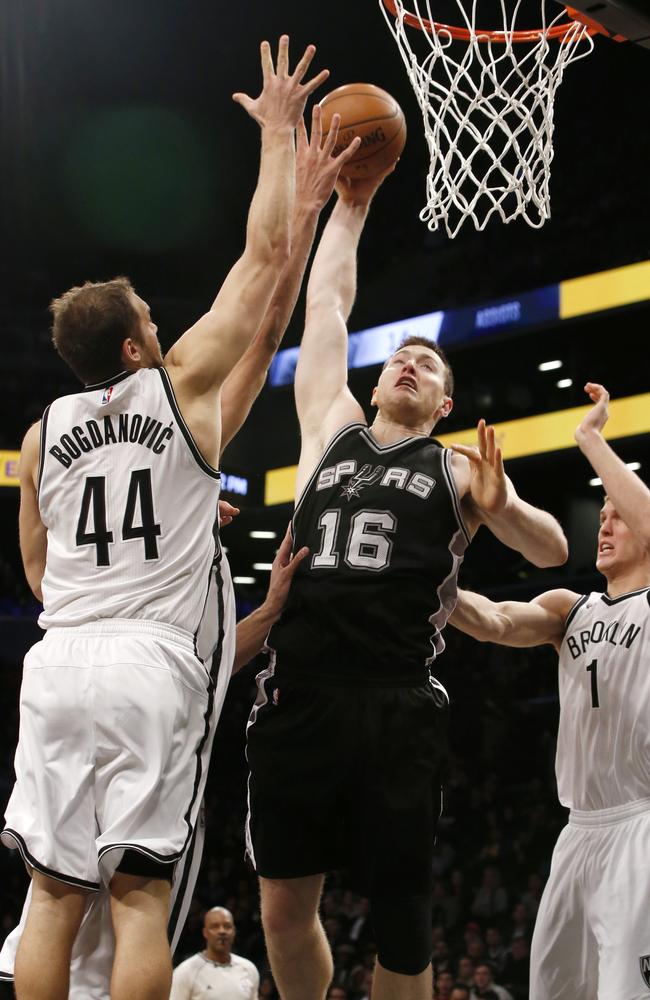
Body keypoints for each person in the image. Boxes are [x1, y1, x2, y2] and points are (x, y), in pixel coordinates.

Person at [0, 91, 360, 998]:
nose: (165, 331)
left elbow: (39, 572)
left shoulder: (44, 432)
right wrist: (281, 136)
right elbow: (265, 260)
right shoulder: (182, 388)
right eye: (153, 322)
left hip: (59, 660)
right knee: (137, 896)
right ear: (132, 347)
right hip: (146, 665)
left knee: (48, 893)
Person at [244, 169, 568, 1000]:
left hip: (396, 701)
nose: (409, 365)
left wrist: (504, 510)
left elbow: (554, 552)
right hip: (301, 692)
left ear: (447, 401)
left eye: (427, 364)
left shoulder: (460, 470)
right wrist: (349, 211)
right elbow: (327, 313)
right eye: (400, 359)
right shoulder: (330, 430)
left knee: (403, 925)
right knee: (282, 907)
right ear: (380, 382)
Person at [449, 384, 650, 1000]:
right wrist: (423, 579)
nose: (606, 523)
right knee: (555, 990)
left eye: (617, 515)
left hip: (639, 825)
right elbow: (497, 621)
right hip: (577, 831)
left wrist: (590, 438)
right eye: (604, 516)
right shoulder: (572, 609)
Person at [170, 906, 259, 1000]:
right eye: (215, 927)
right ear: (205, 932)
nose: (222, 931)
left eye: (227, 926)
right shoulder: (186, 971)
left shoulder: (249, 969)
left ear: (234, 931)